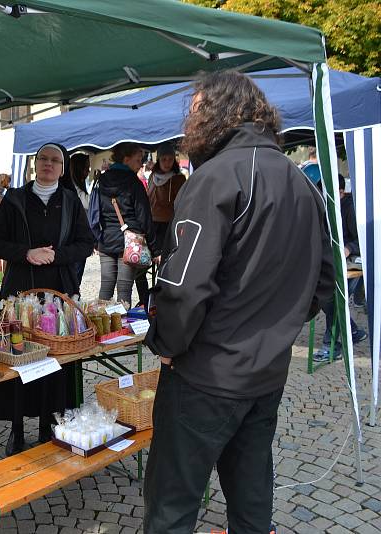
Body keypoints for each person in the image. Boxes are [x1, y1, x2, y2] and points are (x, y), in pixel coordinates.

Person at [143, 71, 334, 534]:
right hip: (265, 373)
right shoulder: (301, 181)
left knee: (172, 501)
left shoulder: (216, 177)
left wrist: (166, 342)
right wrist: (274, 326)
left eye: (195, 109)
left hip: (206, 374)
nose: (190, 120)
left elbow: (184, 286)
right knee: (251, 496)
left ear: (216, 113)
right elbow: (322, 281)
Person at [0, 142, 94, 456]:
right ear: (34, 164)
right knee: (19, 360)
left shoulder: (71, 201)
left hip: (59, 294)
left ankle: (49, 424)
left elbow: (86, 244)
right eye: (43, 159)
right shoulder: (15, 199)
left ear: (63, 167)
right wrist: (27, 253)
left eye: (55, 160)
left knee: (55, 363)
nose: (48, 164)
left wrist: (56, 256)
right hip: (20, 293)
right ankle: (17, 428)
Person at [96, 142, 159, 306]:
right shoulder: (134, 183)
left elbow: (94, 212)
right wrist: (155, 249)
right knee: (124, 290)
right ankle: (121, 328)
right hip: (130, 242)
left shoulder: (101, 180)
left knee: (105, 289)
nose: (141, 164)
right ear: (126, 159)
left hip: (106, 240)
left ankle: (105, 329)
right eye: (138, 160)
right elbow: (144, 218)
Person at [313, 173, 367, 362]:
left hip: (354, 266)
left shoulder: (351, 209)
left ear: (341, 192)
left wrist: (348, 248)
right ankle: (352, 331)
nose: (323, 197)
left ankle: (332, 345)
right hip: (333, 262)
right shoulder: (325, 207)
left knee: (333, 297)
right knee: (329, 298)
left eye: (327, 193)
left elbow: (364, 240)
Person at [147, 143, 186, 255]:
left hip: (169, 224)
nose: (167, 163)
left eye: (170, 159)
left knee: (166, 257)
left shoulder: (178, 178)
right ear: (158, 160)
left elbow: (181, 202)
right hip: (152, 224)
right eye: (164, 159)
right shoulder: (152, 176)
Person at [60, 152, 91, 285]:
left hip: (75, 239)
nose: (88, 171)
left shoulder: (76, 185)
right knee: (73, 280)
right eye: (87, 168)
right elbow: (87, 203)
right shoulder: (72, 188)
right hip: (73, 240)